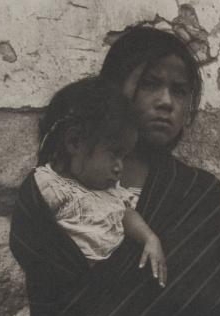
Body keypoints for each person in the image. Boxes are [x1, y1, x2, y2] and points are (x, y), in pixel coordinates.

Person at [10, 26, 220, 316]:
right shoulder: (55, 190)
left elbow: (216, 313)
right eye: (150, 84)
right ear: (112, 91)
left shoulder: (196, 195)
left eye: (179, 91)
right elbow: (55, 306)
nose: (165, 102)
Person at [35, 76, 167, 286]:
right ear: (74, 142)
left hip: (110, 287)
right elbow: (35, 233)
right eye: (114, 154)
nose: (119, 167)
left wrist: (150, 238)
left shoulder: (108, 191)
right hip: (71, 288)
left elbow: (125, 213)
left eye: (124, 157)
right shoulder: (50, 186)